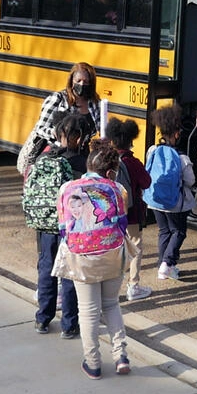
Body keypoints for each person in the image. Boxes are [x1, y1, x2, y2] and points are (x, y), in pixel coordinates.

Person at [54, 139, 131, 380]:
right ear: (110, 172)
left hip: (82, 258)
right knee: (111, 305)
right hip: (112, 255)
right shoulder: (118, 190)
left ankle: (93, 363)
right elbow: (122, 222)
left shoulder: (67, 189)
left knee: (87, 312)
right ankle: (121, 357)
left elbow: (62, 227)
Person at [21, 113, 85, 338]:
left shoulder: (44, 157)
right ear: (78, 137)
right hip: (68, 228)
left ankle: (42, 319)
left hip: (44, 224)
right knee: (68, 273)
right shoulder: (78, 162)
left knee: (46, 269)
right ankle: (69, 324)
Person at [17, 62, 101, 177]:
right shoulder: (57, 99)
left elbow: (101, 129)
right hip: (57, 152)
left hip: (82, 153)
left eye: (86, 82)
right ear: (71, 81)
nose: (82, 84)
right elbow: (40, 128)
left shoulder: (95, 103)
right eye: (78, 81)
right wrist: (56, 133)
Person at [144, 105, 196, 281]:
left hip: (155, 201)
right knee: (179, 232)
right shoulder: (182, 158)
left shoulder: (153, 150)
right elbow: (190, 181)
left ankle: (163, 266)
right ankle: (168, 262)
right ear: (176, 134)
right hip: (175, 204)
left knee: (164, 231)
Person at [104, 117, 153, 301]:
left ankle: (110, 288)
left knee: (113, 249)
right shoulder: (133, 163)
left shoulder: (106, 161)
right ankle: (133, 286)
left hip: (109, 214)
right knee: (135, 248)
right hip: (131, 213)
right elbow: (146, 182)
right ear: (130, 140)